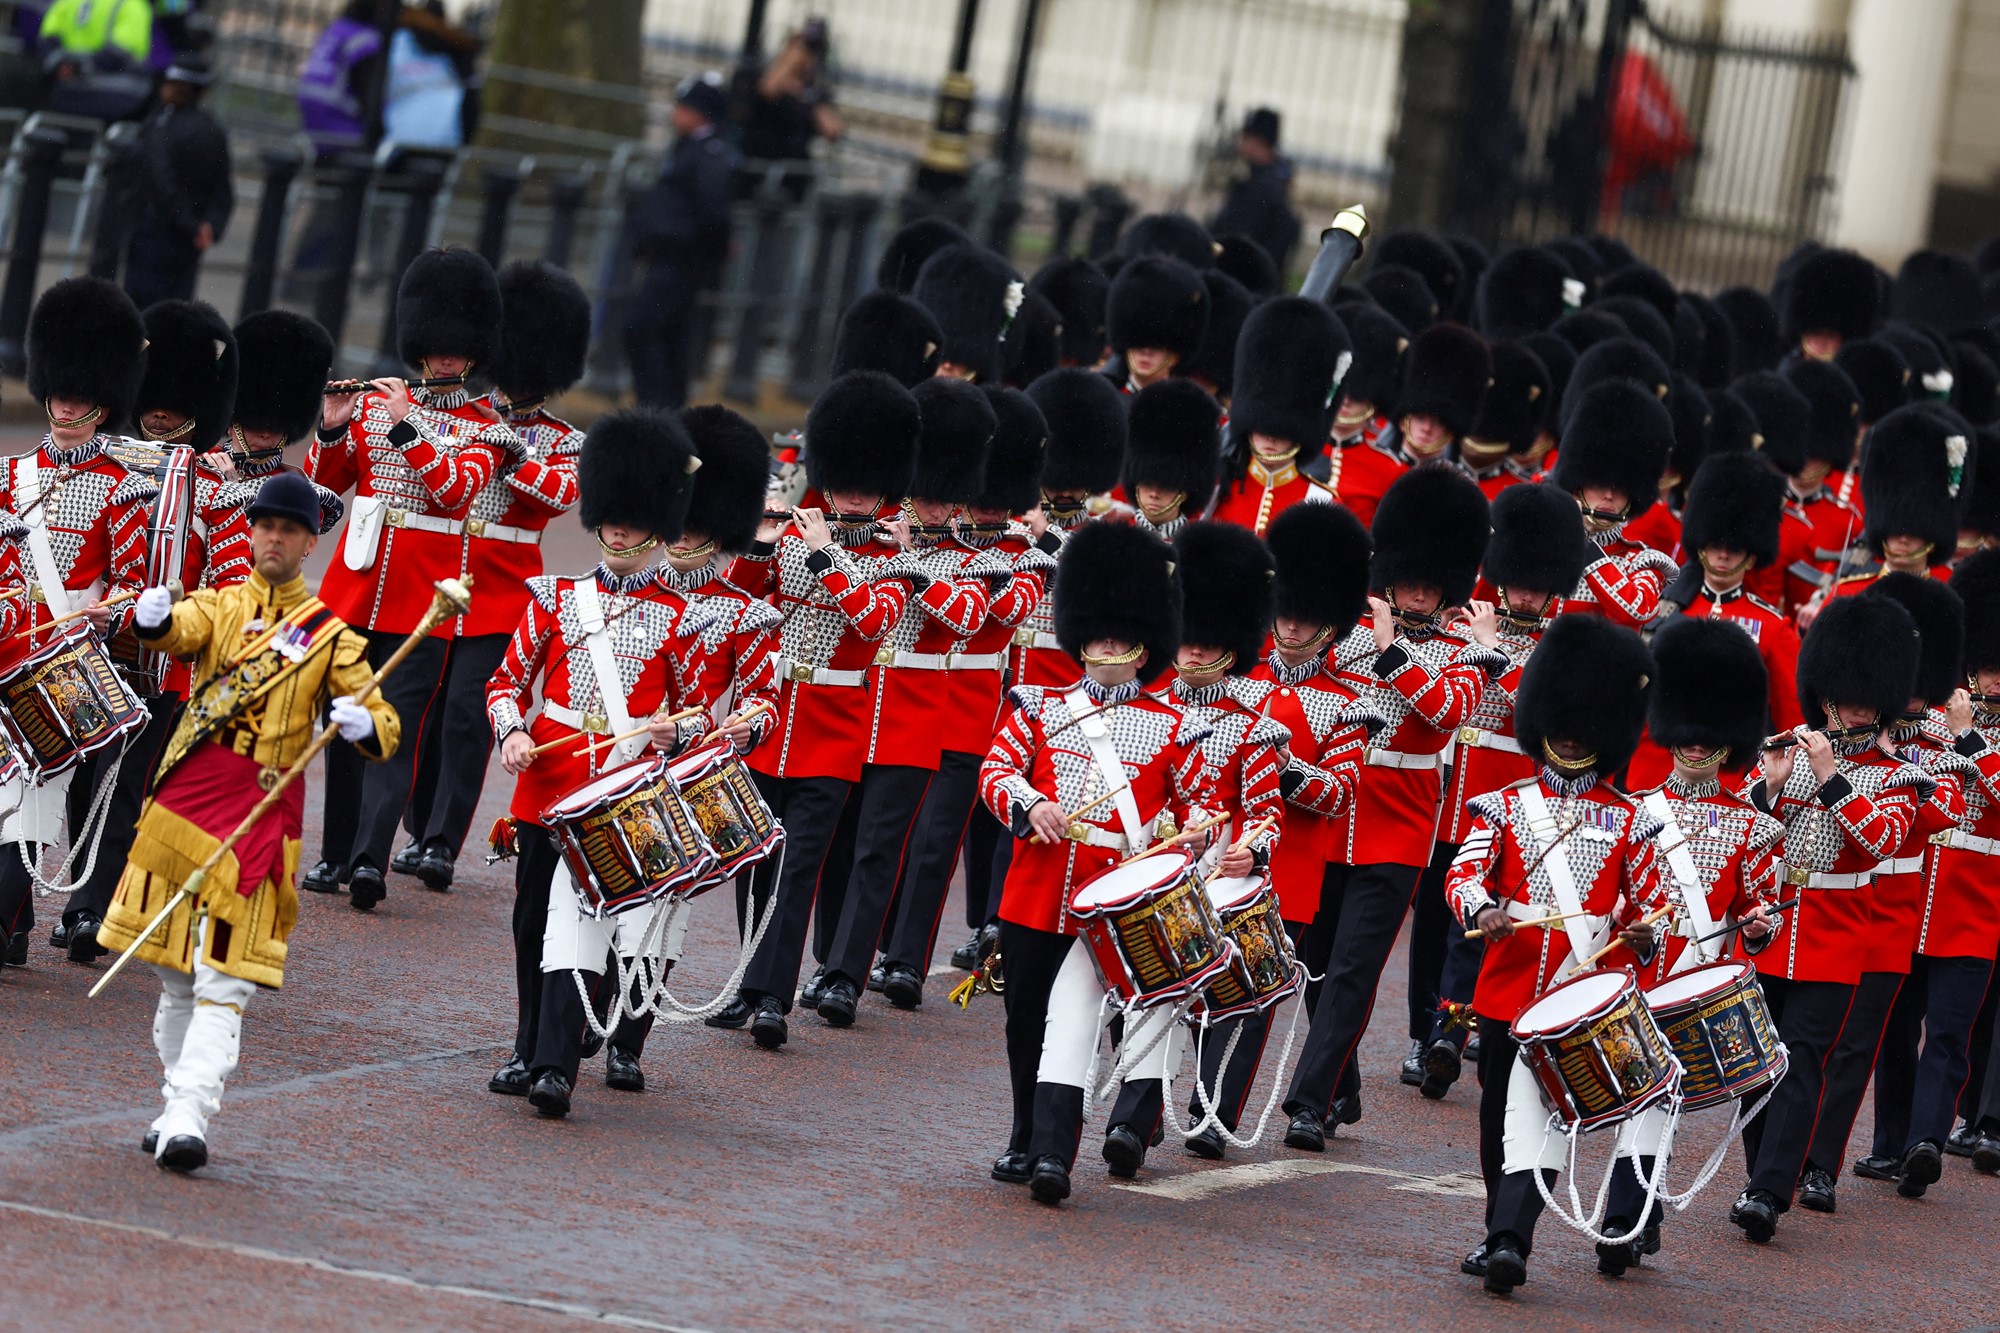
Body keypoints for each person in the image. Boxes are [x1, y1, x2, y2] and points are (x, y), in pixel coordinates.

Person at [96, 470, 400, 1171]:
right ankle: (177, 1097)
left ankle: (188, 1114)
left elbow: (384, 727)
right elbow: (179, 629)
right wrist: (150, 618)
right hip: (186, 805)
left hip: (260, 814)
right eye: (264, 525)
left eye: (288, 529)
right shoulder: (223, 604)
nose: (273, 537)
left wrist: (361, 723)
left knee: (223, 978)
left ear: (307, 541)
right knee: (174, 973)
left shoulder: (329, 636)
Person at [978, 520, 1216, 1205]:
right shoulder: (1039, 705)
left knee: (1097, 1021)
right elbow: (997, 768)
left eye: (1121, 635)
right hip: (1037, 891)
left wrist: (1195, 830)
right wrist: (1029, 803)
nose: (1108, 645)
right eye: (1099, 634)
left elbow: (1199, 805)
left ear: (1145, 644)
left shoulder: (1177, 725)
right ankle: (1029, 1135)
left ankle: (1109, 1126)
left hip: (1115, 902)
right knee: (1027, 1021)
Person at [485, 410, 711, 1117]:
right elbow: (503, 684)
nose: (616, 532)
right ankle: (529, 1045)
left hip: (616, 790)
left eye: (631, 522)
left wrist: (676, 729)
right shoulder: (552, 596)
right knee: (532, 925)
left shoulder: (681, 616)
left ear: (654, 528)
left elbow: (702, 708)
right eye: (609, 519)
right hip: (545, 783)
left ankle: (554, 1065)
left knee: (581, 920)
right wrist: (512, 734)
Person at [1282, 465, 1501, 1151]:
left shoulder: (1469, 649)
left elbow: (1441, 712)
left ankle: (1308, 1102)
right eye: (1409, 579)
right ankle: (1341, 1085)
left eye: (1430, 583)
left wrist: (1388, 649)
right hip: (1329, 814)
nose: (1417, 591)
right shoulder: (1348, 627)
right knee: (1315, 968)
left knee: (1352, 968)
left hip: (1401, 823)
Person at [1446, 613, 1665, 1295]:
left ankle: (1511, 1238)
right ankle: (1498, 1227)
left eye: (1584, 726)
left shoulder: (1633, 818)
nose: (1571, 735)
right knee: (1495, 1120)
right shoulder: (1504, 806)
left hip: (1576, 989)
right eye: (1562, 722)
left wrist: (1643, 932)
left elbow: (1653, 899)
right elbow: (1463, 873)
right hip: (1508, 985)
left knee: (1537, 1112)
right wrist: (1482, 909)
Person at [707, 372, 921, 1048]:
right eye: (845, 481)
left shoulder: (895, 558)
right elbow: (735, 599)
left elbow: (869, 622)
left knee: (798, 862)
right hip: (769, 717)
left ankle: (772, 995)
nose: (854, 494)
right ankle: (747, 980)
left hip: (834, 726)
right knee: (754, 860)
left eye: (866, 486)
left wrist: (826, 550)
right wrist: (763, 537)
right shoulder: (792, 539)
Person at [305, 247, 514, 911]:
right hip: (353, 589)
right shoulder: (369, 403)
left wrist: (407, 424)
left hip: (425, 602)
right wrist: (333, 431)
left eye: (459, 349)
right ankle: (336, 854)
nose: (447, 358)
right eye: (439, 346)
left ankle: (369, 858)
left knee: (391, 730)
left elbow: (455, 491)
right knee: (341, 724)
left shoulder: (486, 426)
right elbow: (321, 488)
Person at [53, 297, 250, 964]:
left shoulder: (217, 487)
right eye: (154, 402)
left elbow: (229, 580)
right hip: (89, 647)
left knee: (129, 778)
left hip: (165, 660)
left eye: (173, 406)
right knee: (81, 779)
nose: (160, 414)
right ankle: (84, 888)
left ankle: (90, 909)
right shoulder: (103, 466)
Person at [1730, 594, 1929, 1244]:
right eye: (1848, 699)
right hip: (1775, 927)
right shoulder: (1786, 749)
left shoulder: (1897, 774)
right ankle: (1764, 1172)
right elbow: (1738, 830)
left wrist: (1831, 777)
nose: (1859, 710)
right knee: (1758, 1059)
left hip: (1840, 931)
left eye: (1869, 701)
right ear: (1825, 697)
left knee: (1802, 1058)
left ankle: (1767, 1192)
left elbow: (1880, 842)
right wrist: (1771, 784)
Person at [391, 260, 586, 892]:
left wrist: (507, 451)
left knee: (469, 718)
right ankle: (418, 826)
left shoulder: (561, 438)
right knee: (422, 711)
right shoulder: (459, 413)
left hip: (502, 593)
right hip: (438, 583)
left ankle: (442, 842)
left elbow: (557, 496)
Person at [1598, 616, 1782, 1275]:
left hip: (1700, 974)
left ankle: (1629, 1215)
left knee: (1661, 1098)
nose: (1697, 744)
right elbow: (1611, 895)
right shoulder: (1633, 809)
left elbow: (1761, 907)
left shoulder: (1755, 826)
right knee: (1640, 1094)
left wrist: (1760, 924)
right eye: (1689, 732)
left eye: (1710, 736)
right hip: (1640, 968)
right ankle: (1630, 1216)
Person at [1106, 521, 1286, 1172]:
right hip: (1156, 871)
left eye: (1204, 643)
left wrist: (1252, 851)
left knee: (1222, 997)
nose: (1190, 651)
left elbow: (1266, 811)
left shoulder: (1255, 730)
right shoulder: (1145, 710)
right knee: (1141, 995)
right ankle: (1140, 1111)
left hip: (1217, 875)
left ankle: (1193, 1112)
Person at [1407, 482, 1590, 1100]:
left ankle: (1454, 1031)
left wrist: (1490, 654)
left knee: (1490, 919)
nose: (1528, 593)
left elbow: (1536, 713)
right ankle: (1427, 1033)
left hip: (1519, 794)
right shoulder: (1466, 625)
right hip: (1453, 787)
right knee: (1437, 915)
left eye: (1539, 584)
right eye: (1520, 581)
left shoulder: (1562, 643)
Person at [877, 386, 1051, 1005]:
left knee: (934, 843)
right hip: (904, 699)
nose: (981, 509)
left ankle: (906, 962)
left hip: (969, 708)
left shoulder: (1024, 558)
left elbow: (989, 618)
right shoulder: (930, 539)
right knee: (887, 836)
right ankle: (866, 949)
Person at [1804, 574, 1971, 1208]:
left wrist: (1925, 764)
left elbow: (1945, 812)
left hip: (1891, 911)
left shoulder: (1931, 752)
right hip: (1825, 907)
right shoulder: (1820, 744)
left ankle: (1821, 1166)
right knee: (1806, 1043)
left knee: (1855, 1049)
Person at [0, 278, 154, 967]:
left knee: (34, 802)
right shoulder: (10, 474)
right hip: (5, 652)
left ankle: (9, 917)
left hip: (66, 666)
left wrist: (93, 619)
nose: (65, 404)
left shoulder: (124, 484)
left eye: (79, 394)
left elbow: (131, 580)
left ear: (102, 398)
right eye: (59, 391)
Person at [1630, 452, 1804, 790]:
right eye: (1714, 545)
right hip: (1651, 775)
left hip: (1729, 783)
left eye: (1734, 548)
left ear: (1751, 555)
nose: (1723, 555)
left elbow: (1790, 722)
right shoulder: (1660, 611)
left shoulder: (1772, 628)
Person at [624, 72, 738, 411]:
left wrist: (709, 248)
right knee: (670, 334)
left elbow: (713, 210)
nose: (676, 114)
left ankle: (657, 404)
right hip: (669, 254)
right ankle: (666, 405)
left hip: (682, 258)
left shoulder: (709, 153)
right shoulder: (688, 146)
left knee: (644, 327)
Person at [1548, 379, 1677, 628]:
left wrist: (1584, 542)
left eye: (1620, 489)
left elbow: (1637, 610)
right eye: (1598, 484)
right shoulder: (1543, 545)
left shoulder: (1643, 561)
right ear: (1578, 485)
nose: (1608, 495)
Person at [1210, 298, 1342, 535]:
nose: (1270, 437)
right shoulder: (1215, 488)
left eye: (1282, 431)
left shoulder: (1320, 502)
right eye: (1262, 427)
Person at [120, 55, 234, 310]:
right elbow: (222, 189)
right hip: (189, 239)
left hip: (157, 229)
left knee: (141, 309)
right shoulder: (213, 129)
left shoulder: (163, 126)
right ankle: (166, 350)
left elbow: (162, 183)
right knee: (176, 307)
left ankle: (143, 351)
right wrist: (209, 227)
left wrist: (190, 224)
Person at [1119, 379, 1221, 539]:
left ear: (1185, 493)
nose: (1154, 494)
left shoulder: (1201, 548)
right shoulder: (1114, 535)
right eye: (1146, 483)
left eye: (1167, 486)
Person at [736, 19, 843, 171]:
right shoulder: (766, 76)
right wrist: (792, 57)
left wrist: (808, 95)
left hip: (794, 168)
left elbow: (833, 130)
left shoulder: (814, 90)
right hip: (760, 162)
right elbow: (767, 89)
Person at [1207, 107, 1301, 276]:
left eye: (1245, 137)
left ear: (1257, 141)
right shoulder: (1271, 178)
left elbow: (1235, 237)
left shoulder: (1261, 188)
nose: (1240, 143)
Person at [1103, 257, 1207, 393]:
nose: (1146, 351)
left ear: (1175, 357)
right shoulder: (1099, 402)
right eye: (1137, 342)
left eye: (1157, 345)